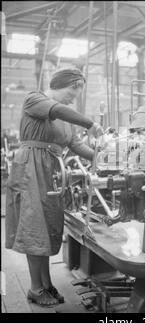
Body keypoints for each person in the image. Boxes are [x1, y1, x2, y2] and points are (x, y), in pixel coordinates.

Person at [5, 68, 104, 307]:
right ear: (60, 84)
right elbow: (58, 109)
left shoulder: (66, 121)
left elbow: (76, 144)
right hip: (31, 169)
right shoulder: (35, 99)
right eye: (73, 89)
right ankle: (35, 288)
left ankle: (46, 284)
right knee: (34, 226)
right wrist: (90, 123)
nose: (74, 97)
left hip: (53, 173)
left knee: (49, 229)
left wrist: (100, 156)